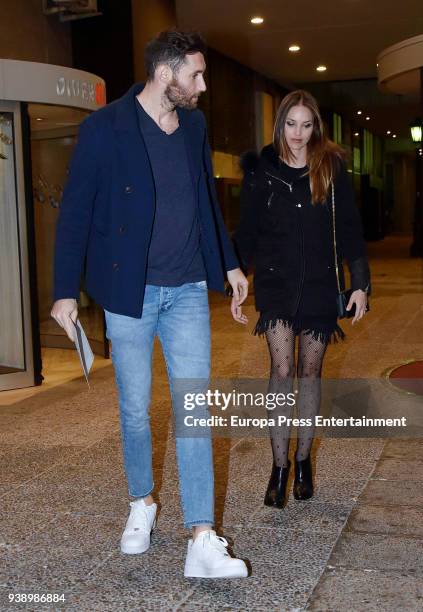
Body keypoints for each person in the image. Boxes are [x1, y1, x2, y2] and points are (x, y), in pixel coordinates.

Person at [51, 30, 249, 579]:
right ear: (166, 76)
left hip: (186, 289)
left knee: (194, 408)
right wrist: (64, 292)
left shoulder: (194, 126)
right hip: (130, 292)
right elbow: (76, 214)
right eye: (196, 76)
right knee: (135, 408)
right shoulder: (105, 128)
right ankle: (142, 503)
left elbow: (206, 200)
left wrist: (228, 263)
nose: (203, 86)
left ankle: (203, 537)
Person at [233, 89, 370, 508]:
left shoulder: (330, 168)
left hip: (319, 286)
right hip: (276, 284)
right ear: (279, 126)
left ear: (316, 127)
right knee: (281, 367)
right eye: (290, 124)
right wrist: (235, 277)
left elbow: (348, 227)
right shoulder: (264, 169)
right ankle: (278, 468)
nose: (297, 133)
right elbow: (248, 228)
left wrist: (359, 282)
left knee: (309, 374)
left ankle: (304, 459)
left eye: (306, 124)